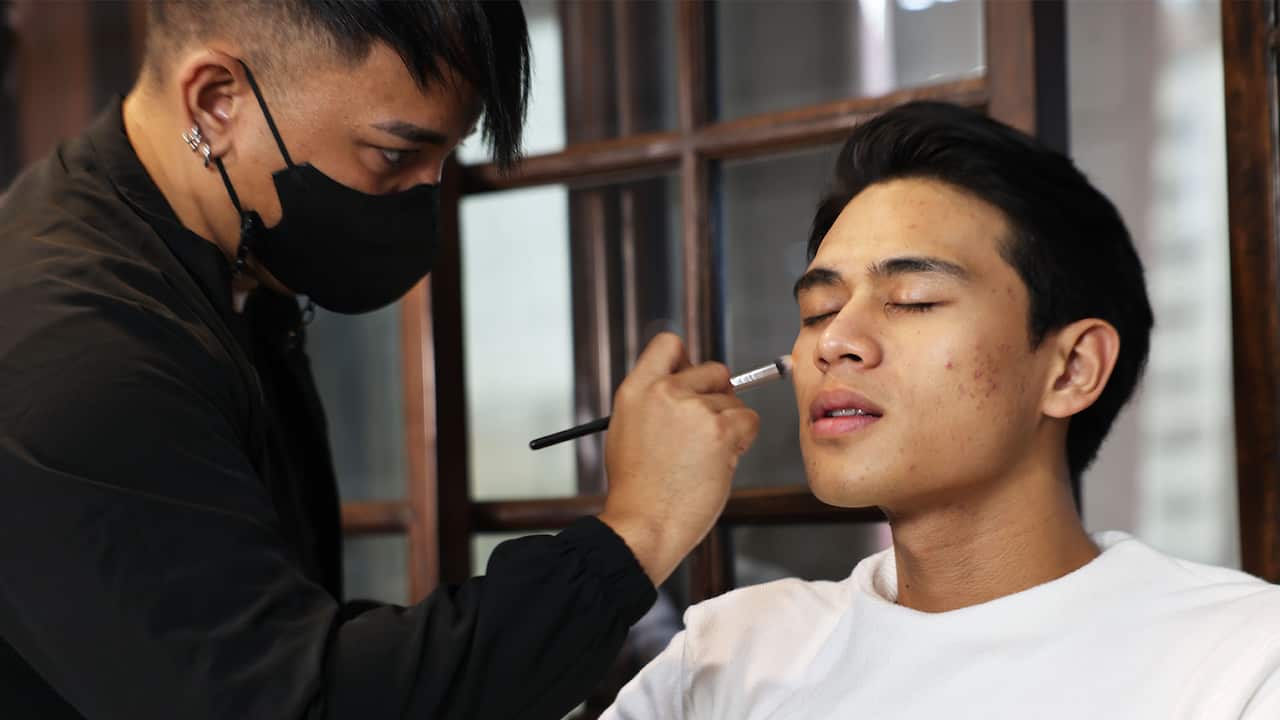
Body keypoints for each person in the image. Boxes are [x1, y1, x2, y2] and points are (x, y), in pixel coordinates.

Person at [0, 2, 760, 718]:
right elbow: (295, 699)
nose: (426, 192)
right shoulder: (74, 352)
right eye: (395, 152)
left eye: (445, 155)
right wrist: (639, 530)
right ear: (216, 100)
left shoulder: (221, 270)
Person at [602, 101, 1280, 719]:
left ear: (1071, 369)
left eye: (914, 300)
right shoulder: (730, 655)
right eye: (818, 310)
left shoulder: (1240, 662)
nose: (834, 342)